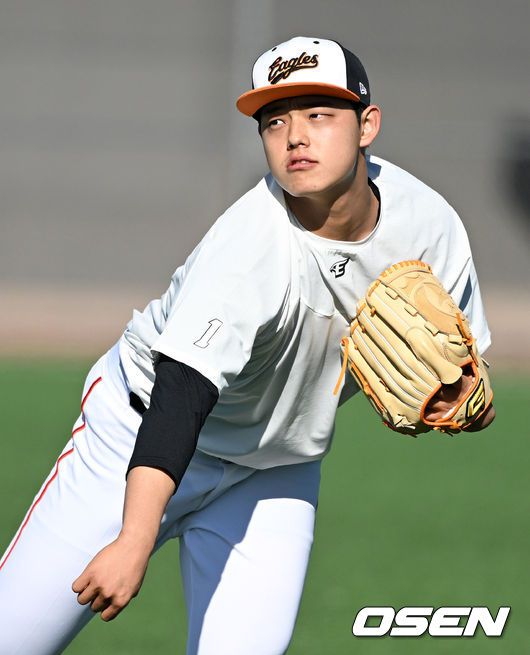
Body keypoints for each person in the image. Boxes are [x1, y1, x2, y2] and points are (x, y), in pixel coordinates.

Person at [0, 36, 495, 654]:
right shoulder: (249, 245)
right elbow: (179, 397)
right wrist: (133, 539)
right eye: (275, 121)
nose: (296, 137)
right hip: (135, 441)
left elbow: (469, 362)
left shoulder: (428, 223)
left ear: (367, 125)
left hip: (272, 473)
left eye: (319, 114)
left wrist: (461, 399)